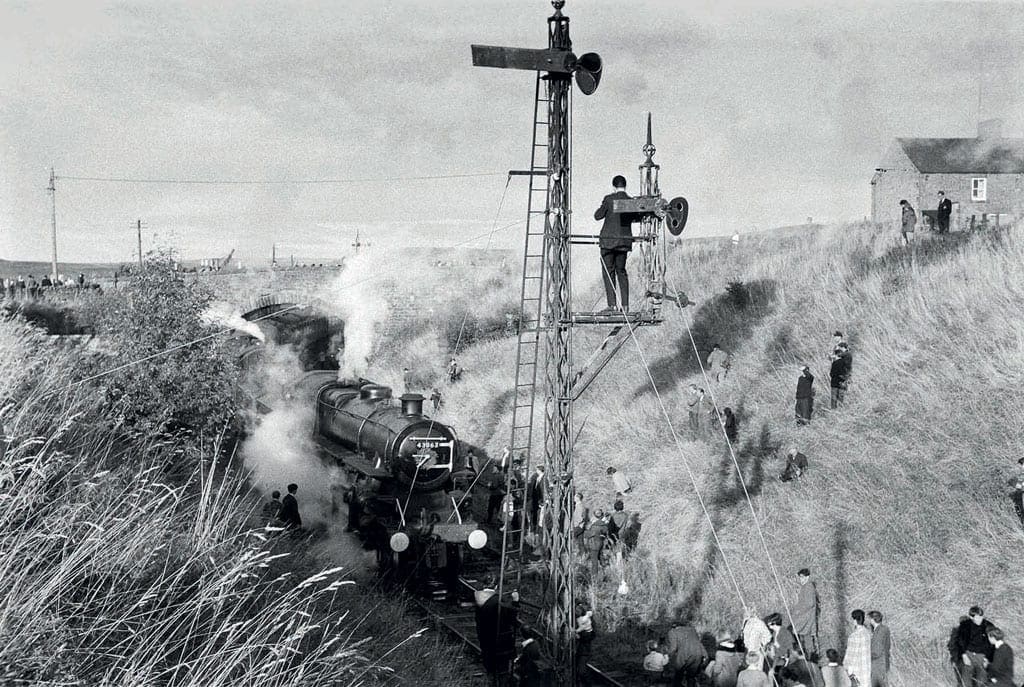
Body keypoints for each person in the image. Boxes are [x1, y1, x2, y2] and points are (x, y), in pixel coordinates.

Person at [594, 175, 640, 313]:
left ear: (613, 187)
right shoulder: (631, 202)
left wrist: (604, 206)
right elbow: (637, 217)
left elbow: (597, 216)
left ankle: (612, 305)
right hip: (624, 243)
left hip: (608, 242)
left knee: (609, 272)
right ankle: (625, 306)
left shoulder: (609, 199)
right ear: (625, 186)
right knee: (621, 271)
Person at [474, 586, 519, 685]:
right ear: (495, 586)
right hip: (501, 644)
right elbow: (511, 618)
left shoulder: (480, 599)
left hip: (486, 642)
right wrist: (515, 601)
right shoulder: (497, 601)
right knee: (502, 673)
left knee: (491, 671)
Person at [953, 606, 996, 687]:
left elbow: (993, 643)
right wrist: (964, 655)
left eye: (981, 617)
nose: (980, 619)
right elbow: (959, 642)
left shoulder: (988, 625)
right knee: (966, 680)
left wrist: (989, 658)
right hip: (969, 654)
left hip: (982, 656)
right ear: (971, 617)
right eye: (977, 617)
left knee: (982, 681)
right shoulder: (964, 626)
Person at [666, 616, 707, 687]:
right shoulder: (692, 630)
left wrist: (668, 656)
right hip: (698, 653)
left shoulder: (672, 632)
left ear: (673, 625)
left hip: (684, 655)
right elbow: (697, 642)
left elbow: (673, 648)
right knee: (691, 677)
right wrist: (705, 655)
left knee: (678, 676)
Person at [793, 568, 820, 656]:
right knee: (803, 635)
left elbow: (810, 603)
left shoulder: (808, 587)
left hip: (807, 617)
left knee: (806, 636)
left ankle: (810, 656)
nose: (801, 579)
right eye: (800, 577)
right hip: (805, 616)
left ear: (807, 577)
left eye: (803, 577)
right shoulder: (806, 587)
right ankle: (807, 655)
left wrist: (799, 610)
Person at [844, 610, 872, 686]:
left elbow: (851, 657)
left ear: (855, 620)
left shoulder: (854, 636)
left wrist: (849, 672)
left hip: (857, 674)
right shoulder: (867, 634)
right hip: (866, 671)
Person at [866, 610, 890, 687]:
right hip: (883, 664)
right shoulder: (884, 629)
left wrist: (866, 655)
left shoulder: (879, 631)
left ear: (873, 619)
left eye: (870, 619)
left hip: (877, 666)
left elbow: (876, 651)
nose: (869, 621)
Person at [575, 603, 595, 684]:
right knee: (576, 670)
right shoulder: (580, 620)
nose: (576, 613)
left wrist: (578, 636)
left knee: (581, 671)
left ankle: (587, 684)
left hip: (584, 652)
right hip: (579, 651)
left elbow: (590, 636)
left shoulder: (587, 624)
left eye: (578, 611)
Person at [584, 508, 608, 573]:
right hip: (601, 543)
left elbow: (587, 535)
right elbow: (605, 532)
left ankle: (595, 578)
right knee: (601, 558)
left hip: (593, 544)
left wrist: (588, 528)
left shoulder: (593, 524)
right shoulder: (604, 524)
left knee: (594, 563)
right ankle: (605, 572)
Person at [526, 465, 546, 535]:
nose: (536, 471)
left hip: (540, 500)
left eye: (537, 470)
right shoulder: (537, 477)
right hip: (535, 499)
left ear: (540, 470)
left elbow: (543, 490)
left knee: (538, 515)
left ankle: (537, 531)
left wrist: (542, 500)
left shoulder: (544, 478)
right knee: (533, 513)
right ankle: (534, 529)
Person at [1008, 459, 1024, 527]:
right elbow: (1013, 482)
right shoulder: (1021, 476)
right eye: (1022, 465)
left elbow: (1018, 485)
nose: (1022, 466)